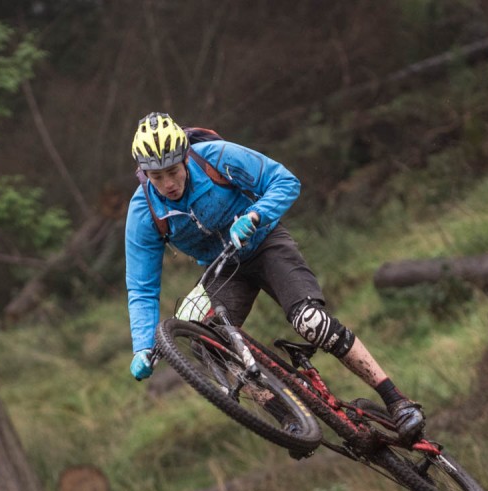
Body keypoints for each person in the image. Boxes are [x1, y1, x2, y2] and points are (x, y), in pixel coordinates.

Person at [124, 112, 425, 442]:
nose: (168, 184)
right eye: (156, 176)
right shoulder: (144, 211)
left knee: (310, 321)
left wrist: (255, 214)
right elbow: (142, 287)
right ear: (144, 174)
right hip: (223, 269)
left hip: (264, 243)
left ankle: (397, 401)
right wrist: (142, 347)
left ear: (184, 159)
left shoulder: (217, 157)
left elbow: (285, 181)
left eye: (173, 171)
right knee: (208, 347)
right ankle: (290, 421)